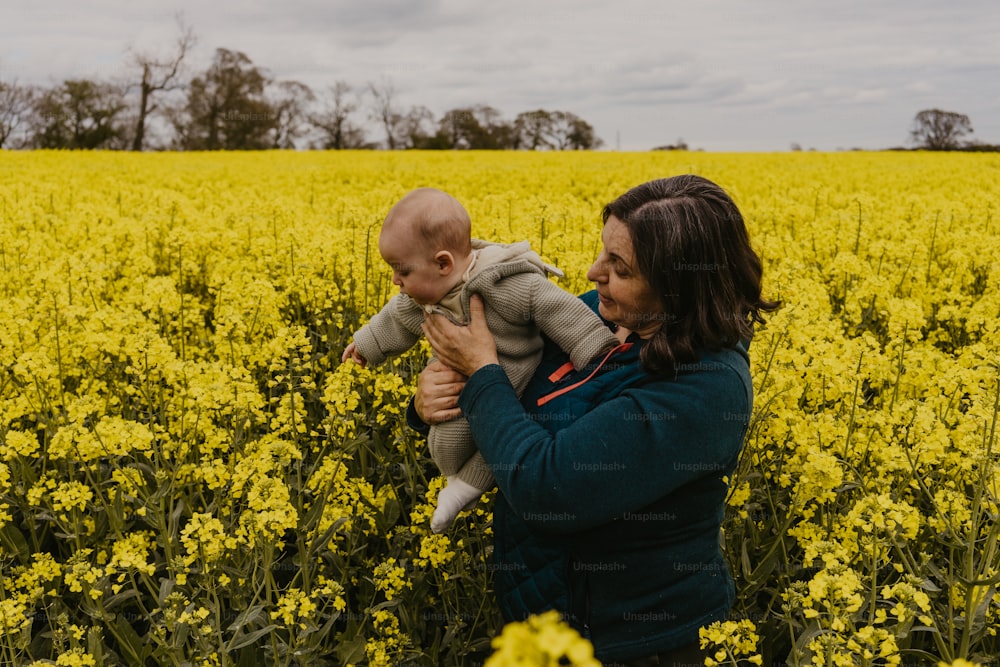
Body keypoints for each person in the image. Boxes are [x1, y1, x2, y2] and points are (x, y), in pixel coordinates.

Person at [413, 175, 780, 666]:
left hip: (633, 644)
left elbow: (548, 488)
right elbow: (504, 394)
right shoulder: (590, 316)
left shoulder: (704, 388)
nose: (592, 272)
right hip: (543, 620)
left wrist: (481, 372)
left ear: (678, 284)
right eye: (603, 252)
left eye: (620, 267)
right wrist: (430, 404)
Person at [342, 187, 619, 533]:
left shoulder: (507, 284)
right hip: (458, 389)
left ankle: (466, 488)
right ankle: (459, 485)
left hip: (512, 380)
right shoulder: (426, 295)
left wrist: (597, 353)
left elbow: (560, 311)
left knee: (489, 440)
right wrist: (366, 344)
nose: (396, 281)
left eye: (402, 272)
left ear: (443, 263)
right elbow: (395, 318)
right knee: (445, 443)